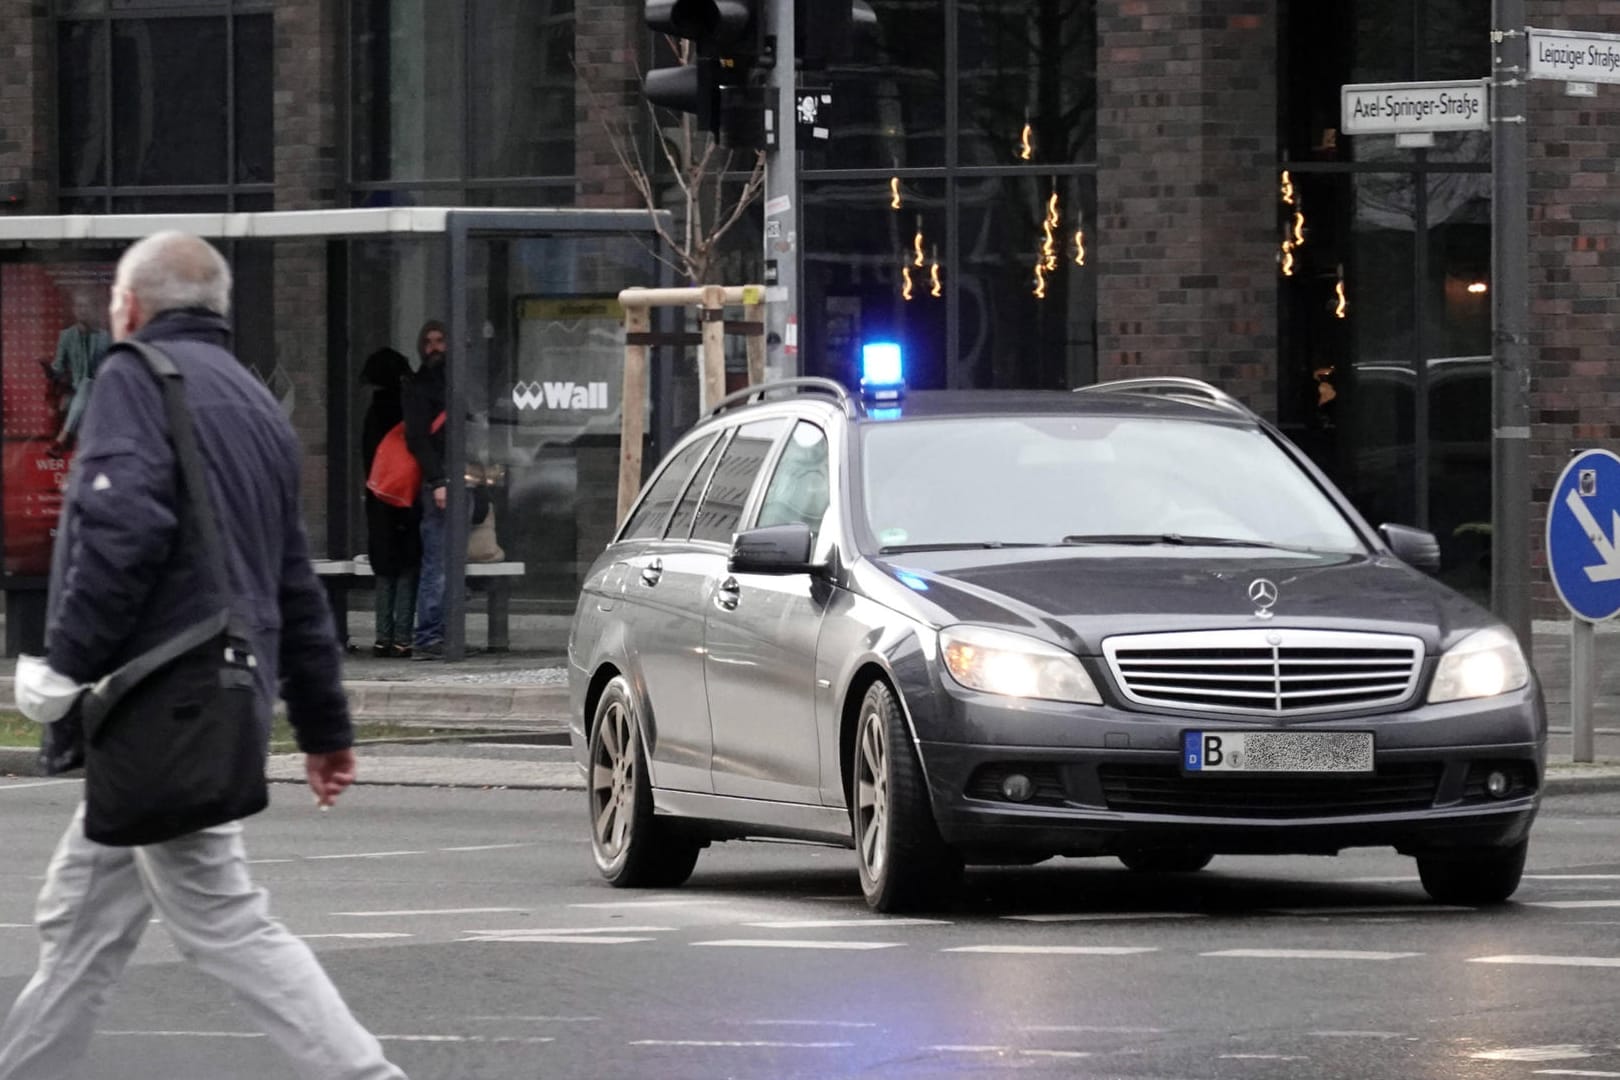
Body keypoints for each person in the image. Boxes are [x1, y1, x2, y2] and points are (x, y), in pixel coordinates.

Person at [0, 231, 407, 1080]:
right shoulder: (256, 407)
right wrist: (326, 729)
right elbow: (294, 582)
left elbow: (122, 529)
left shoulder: (132, 378)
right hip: (210, 698)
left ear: (129, 306)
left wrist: (64, 664)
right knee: (79, 921)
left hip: (160, 707)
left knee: (225, 919)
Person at [361, 346, 420, 658]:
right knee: (408, 567)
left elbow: (368, 458)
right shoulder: (408, 406)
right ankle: (403, 638)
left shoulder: (375, 411)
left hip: (379, 498)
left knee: (385, 568)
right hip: (408, 495)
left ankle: (383, 637)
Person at [402, 319, 449, 660]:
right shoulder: (419, 386)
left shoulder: (455, 383)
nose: (434, 347)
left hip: (457, 479)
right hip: (439, 483)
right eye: (428, 341)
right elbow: (417, 438)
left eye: (439, 340)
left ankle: (438, 632)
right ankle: (429, 635)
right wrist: (437, 481)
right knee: (438, 562)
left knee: (445, 561)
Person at [47, 291, 110, 457]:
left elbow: (112, 365)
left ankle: (62, 438)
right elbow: (58, 368)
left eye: (86, 306)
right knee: (85, 385)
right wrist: (49, 369)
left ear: (91, 309)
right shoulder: (66, 336)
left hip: (101, 390)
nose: (83, 310)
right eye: (79, 306)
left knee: (88, 383)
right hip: (75, 391)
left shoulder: (104, 337)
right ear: (74, 309)